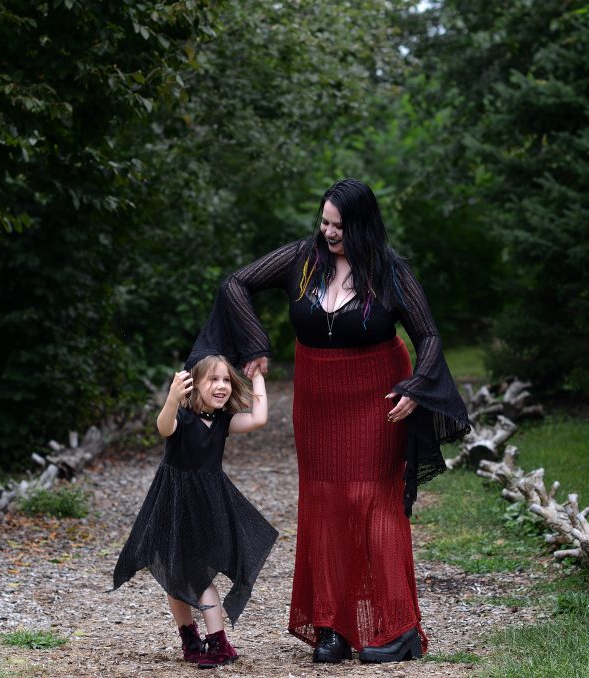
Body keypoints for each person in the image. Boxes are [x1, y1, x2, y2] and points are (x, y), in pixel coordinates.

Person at [184, 178, 470, 664]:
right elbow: (235, 283)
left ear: (361, 225)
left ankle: (398, 628)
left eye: (338, 225)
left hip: (377, 394)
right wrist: (256, 345)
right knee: (325, 503)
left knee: (373, 500)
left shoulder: (390, 270)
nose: (329, 232)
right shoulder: (302, 259)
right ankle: (333, 628)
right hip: (317, 401)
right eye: (324, 222)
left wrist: (416, 389)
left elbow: (429, 336)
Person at [112, 355, 278, 669]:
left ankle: (219, 643)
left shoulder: (223, 422)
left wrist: (257, 377)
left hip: (206, 507)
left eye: (227, 380)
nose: (221, 386)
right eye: (213, 380)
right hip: (173, 504)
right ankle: (190, 640)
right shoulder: (183, 418)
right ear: (194, 385)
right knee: (174, 576)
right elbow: (163, 427)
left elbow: (258, 419)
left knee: (199, 577)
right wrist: (172, 398)